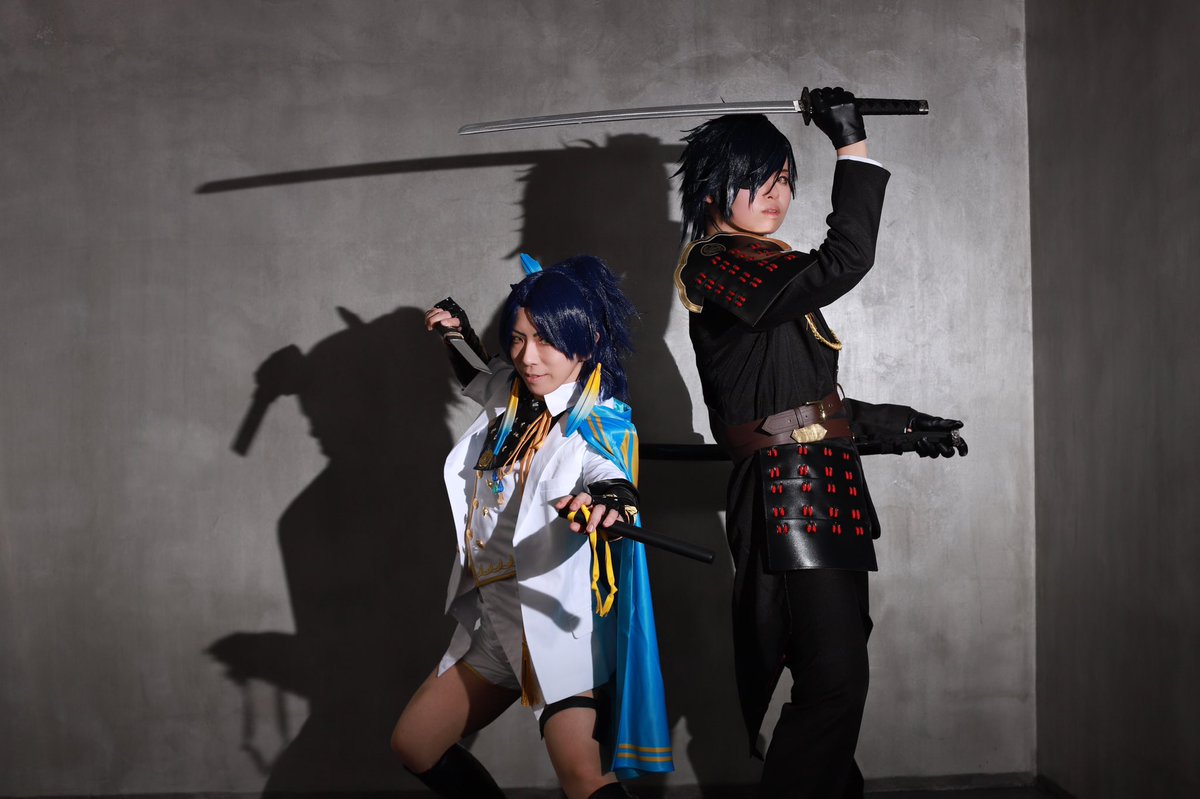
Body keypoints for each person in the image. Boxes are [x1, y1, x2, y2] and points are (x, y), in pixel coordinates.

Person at [672, 88, 967, 797]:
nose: (777, 194)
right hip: (785, 497)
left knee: (831, 677)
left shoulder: (766, 268)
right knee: (835, 683)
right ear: (713, 189)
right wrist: (850, 145)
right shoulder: (717, 265)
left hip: (818, 490)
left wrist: (900, 426)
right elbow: (846, 258)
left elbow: (806, 405)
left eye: (783, 178)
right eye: (758, 179)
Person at [390, 254, 672, 799]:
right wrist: (455, 331)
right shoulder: (512, 390)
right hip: (499, 625)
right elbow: (478, 374)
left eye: (545, 340)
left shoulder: (599, 419)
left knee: (585, 780)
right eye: (518, 339)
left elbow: (610, 473)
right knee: (415, 744)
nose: (527, 356)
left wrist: (607, 502)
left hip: (558, 630)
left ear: (587, 341)